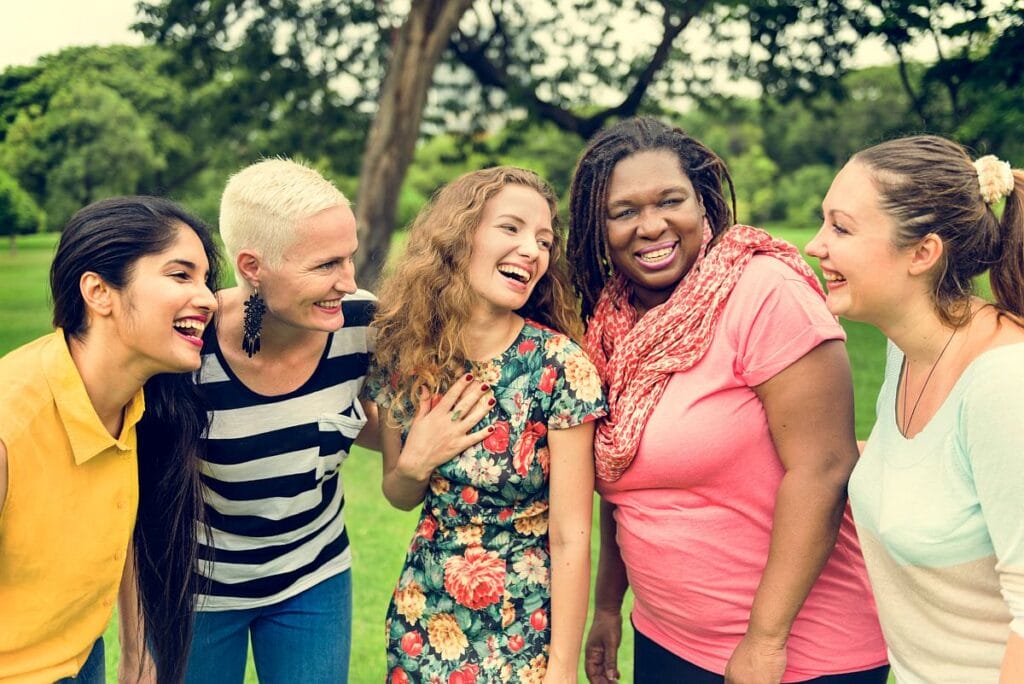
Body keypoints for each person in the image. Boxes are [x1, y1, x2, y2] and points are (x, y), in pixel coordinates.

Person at [568, 117, 888, 684]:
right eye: (623, 211)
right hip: (665, 640)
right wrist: (608, 608)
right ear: (599, 227)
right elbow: (629, 490)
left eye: (671, 200)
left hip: (796, 653)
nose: (651, 226)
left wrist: (764, 642)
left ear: (705, 204)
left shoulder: (762, 291)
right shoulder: (610, 326)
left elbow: (825, 467)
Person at [365, 166, 605, 683]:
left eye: (544, 240)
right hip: (422, 618)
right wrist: (417, 459)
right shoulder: (404, 353)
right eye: (511, 228)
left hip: (523, 629)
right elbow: (399, 492)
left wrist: (561, 668)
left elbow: (570, 537)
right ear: (460, 235)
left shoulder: (560, 367)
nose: (532, 250)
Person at [806, 135, 1024, 682]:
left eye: (841, 227)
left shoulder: (1003, 386)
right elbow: (922, 473)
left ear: (923, 254)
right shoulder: (907, 349)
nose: (815, 245)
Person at [0, 197, 219, 683]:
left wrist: (139, 657)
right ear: (99, 292)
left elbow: (125, 531)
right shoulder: (10, 424)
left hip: (80, 659)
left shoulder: (137, 405)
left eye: (205, 280)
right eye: (181, 275)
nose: (208, 298)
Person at [183, 159, 377, 684]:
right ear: (252, 267)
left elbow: (375, 424)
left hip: (315, 577)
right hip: (198, 589)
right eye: (326, 265)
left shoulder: (362, 324)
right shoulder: (186, 347)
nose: (349, 282)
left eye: (350, 258)